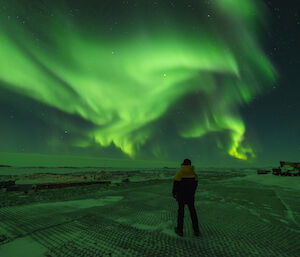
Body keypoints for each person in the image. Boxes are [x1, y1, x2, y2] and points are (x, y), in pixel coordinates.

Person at [172, 158, 200, 237]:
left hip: (181, 197)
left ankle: (180, 230)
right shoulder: (194, 174)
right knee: (193, 213)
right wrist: (192, 193)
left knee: (181, 213)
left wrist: (174, 193)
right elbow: (195, 185)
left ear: (183, 164)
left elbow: (175, 185)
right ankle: (196, 230)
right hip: (190, 197)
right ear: (190, 165)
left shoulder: (179, 173)